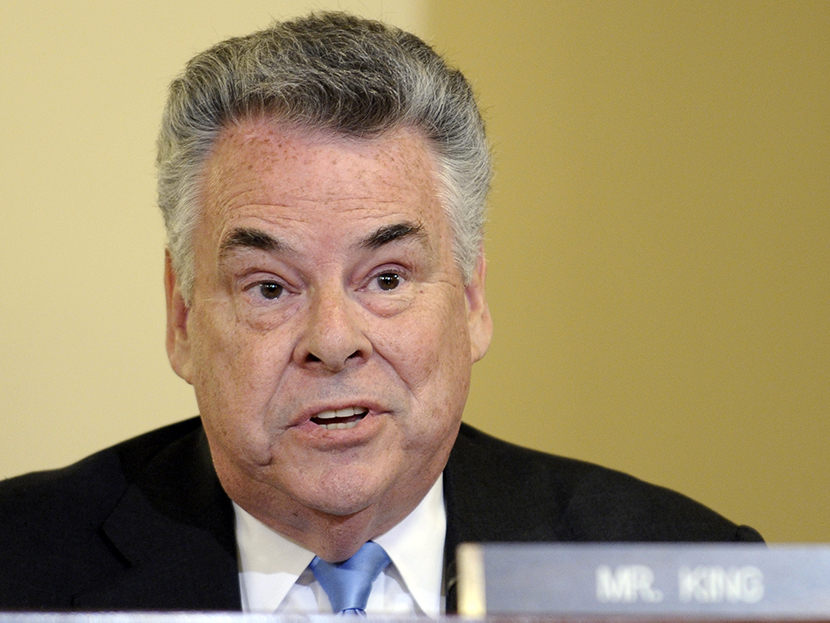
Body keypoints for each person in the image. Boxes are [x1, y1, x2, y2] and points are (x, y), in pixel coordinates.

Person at [0, 12, 762, 614]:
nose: (333, 341)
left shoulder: (688, 576)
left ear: (471, 299)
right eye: (270, 287)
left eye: (388, 277)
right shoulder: (19, 563)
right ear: (181, 317)